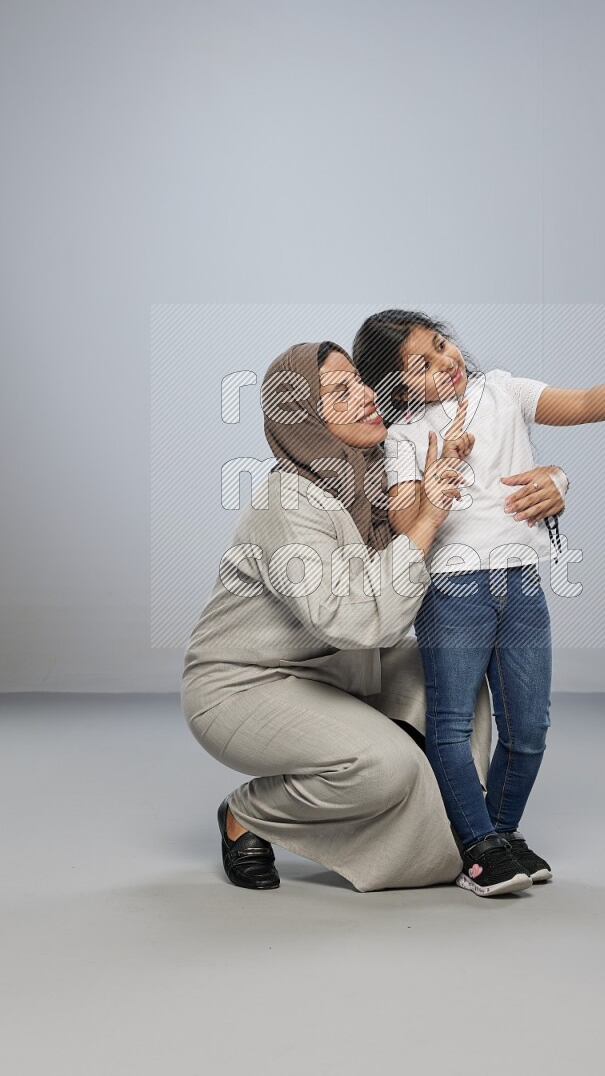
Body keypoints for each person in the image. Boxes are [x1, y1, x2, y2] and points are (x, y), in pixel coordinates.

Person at [353, 309, 605, 897]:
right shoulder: (403, 436)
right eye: (420, 364)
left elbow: (581, 403)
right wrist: (440, 469)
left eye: (441, 345)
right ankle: (479, 848)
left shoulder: (502, 390)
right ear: (395, 386)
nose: (444, 362)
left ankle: (500, 833)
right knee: (450, 723)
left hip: (521, 582)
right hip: (453, 589)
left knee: (529, 727)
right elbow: (402, 520)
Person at [181, 340, 491, 893]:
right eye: (339, 391)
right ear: (303, 417)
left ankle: (468, 831)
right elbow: (351, 621)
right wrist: (426, 520)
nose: (366, 395)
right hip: (242, 686)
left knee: (458, 677)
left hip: (339, 669)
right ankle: (248, 814)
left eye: (360, 381)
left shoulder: (374, 482)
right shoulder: (287, 503)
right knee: (385, 766)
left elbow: (470, 530)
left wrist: (551, 485)